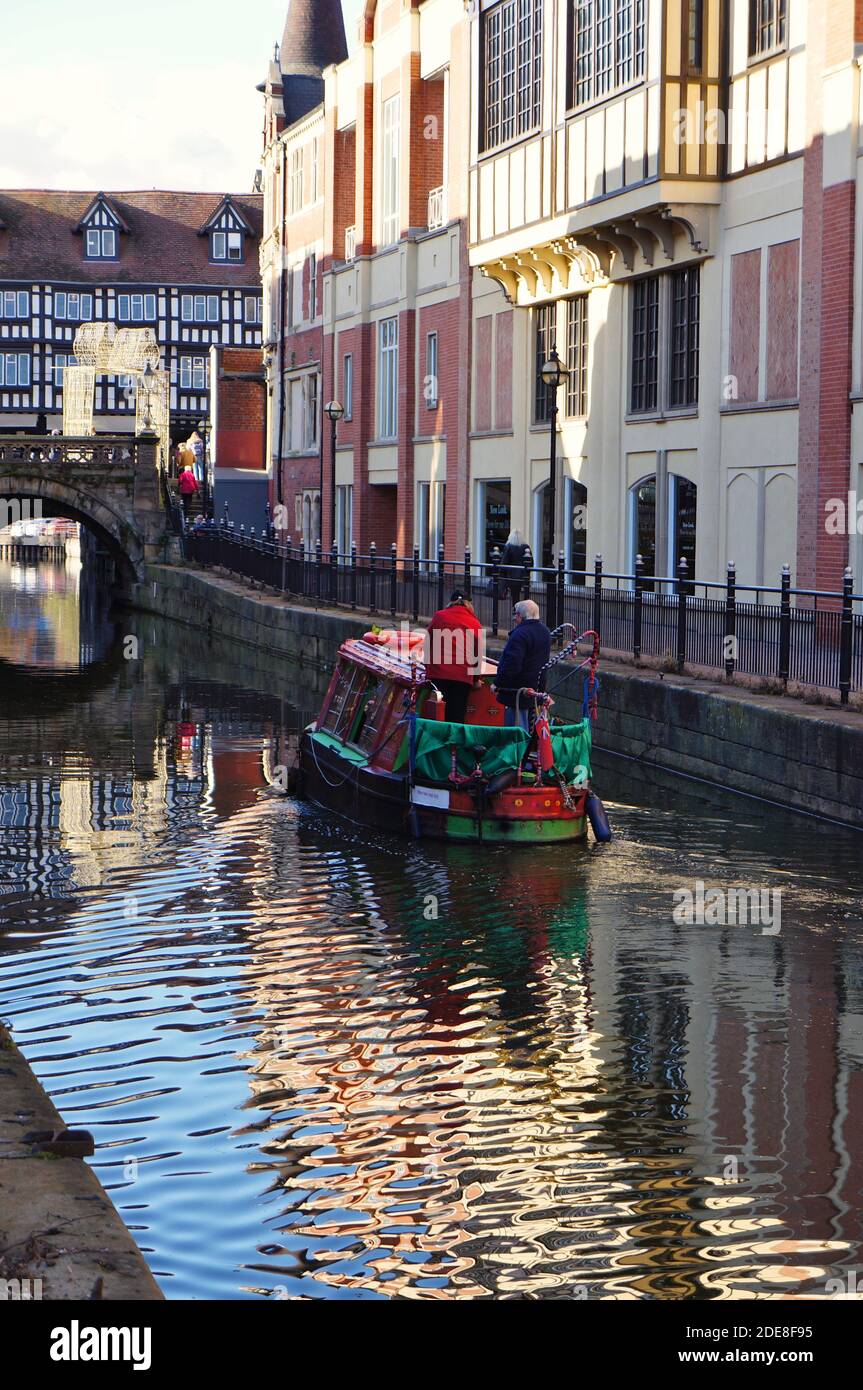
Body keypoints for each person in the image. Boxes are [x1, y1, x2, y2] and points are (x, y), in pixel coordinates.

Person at [424, 590, 485, 724]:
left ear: (450, 602)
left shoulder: (439, 616)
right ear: (469, 604)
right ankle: (453, 743)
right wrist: (476, 680)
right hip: (462, 676)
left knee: (437, 713)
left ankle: (435, 742)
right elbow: (476, 654)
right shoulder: (474, 623)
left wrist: (427, 669)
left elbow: (428, 644)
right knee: (456, 715)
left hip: (438, 674)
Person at [493, 599, 551, 729]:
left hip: (517, 692)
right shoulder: (545, 632)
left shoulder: (520, 634)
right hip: (536, 688)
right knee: (531, 727)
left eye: (515, 615)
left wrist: (497, 683)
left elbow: (512, 664)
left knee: (515, 730)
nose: (514, 619)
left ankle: (518, 748)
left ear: (520, 615)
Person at [499, 529, 532, 605]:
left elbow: (504, 562)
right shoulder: (526, 547)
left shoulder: (509, 546)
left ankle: (516, 612)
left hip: (512, 576)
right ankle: (525, 612)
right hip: (524, 576)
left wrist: (502, 575)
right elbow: (531, 562)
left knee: (515, 596)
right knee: (526, 595)